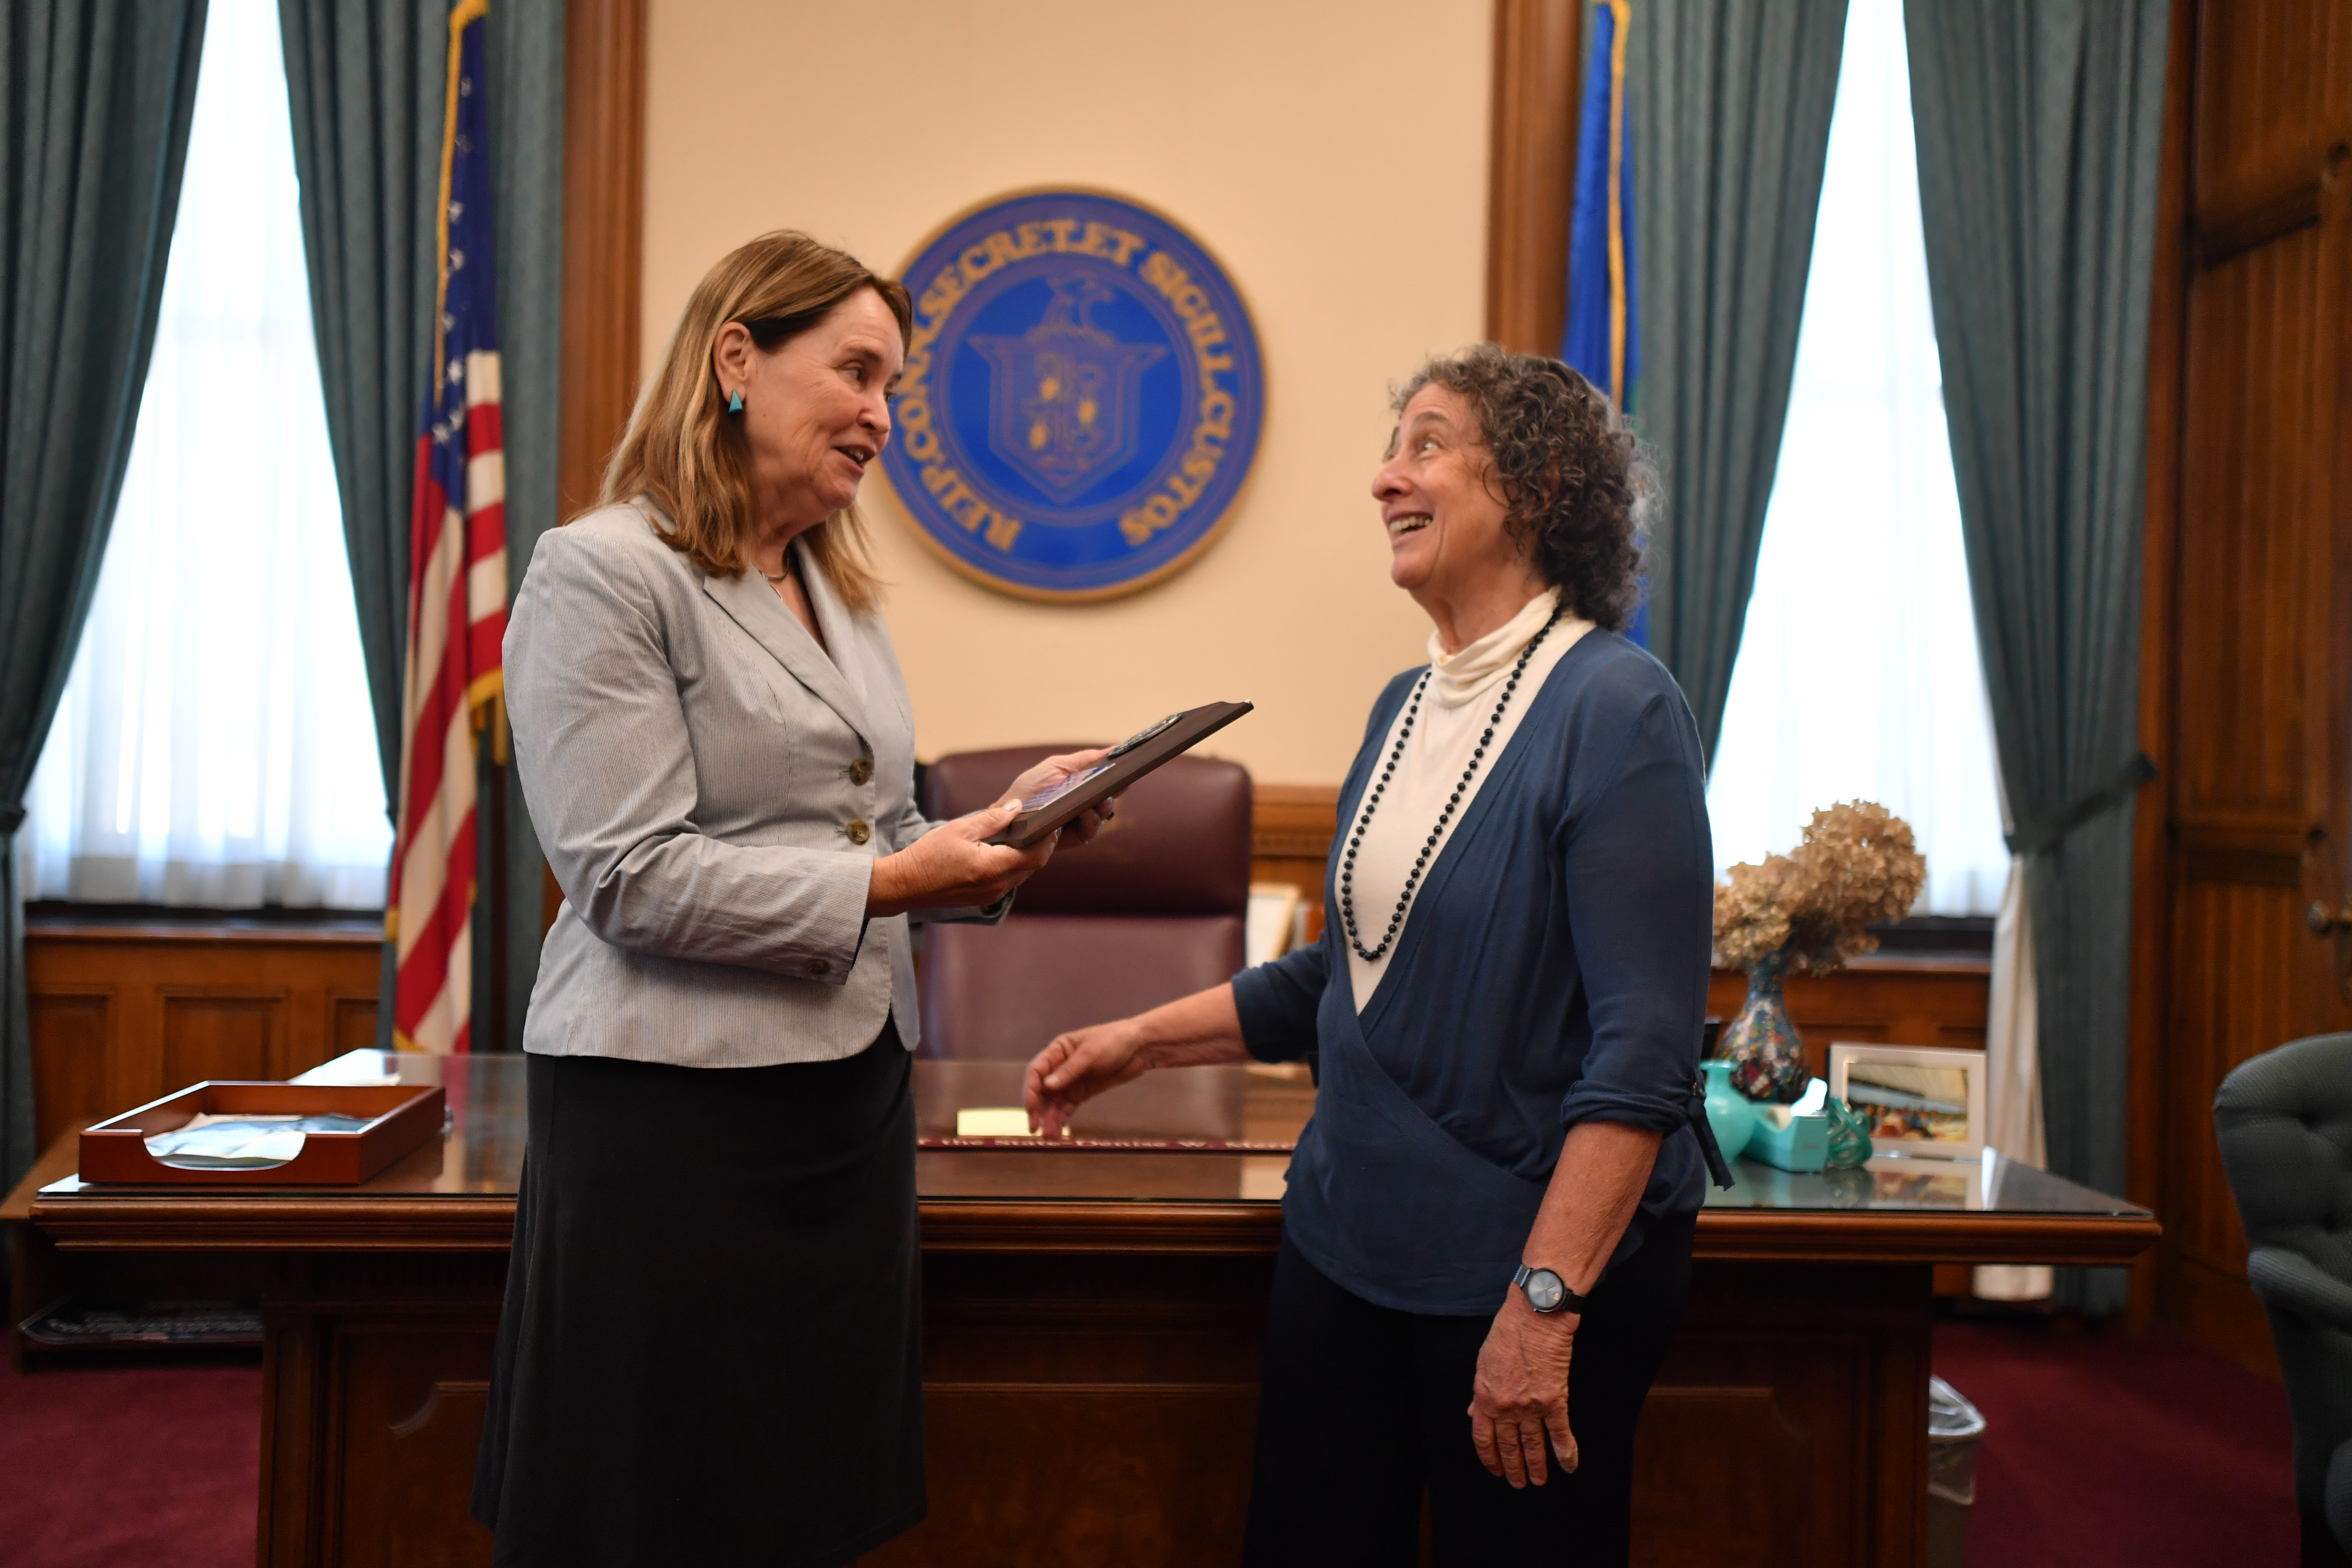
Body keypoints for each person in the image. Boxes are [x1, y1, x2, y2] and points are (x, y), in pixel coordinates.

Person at [1024, 345, 1731, 1566]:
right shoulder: (1402, 707)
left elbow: (1647, 1056)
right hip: (1341, 1240)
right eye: (1390, 450)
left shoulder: (1620, 708)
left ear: (1540, 486)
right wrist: (1138, 1042)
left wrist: (1544, 1305)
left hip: (1519, 1271)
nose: (1384, 480)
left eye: (1427, 445)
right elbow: (1343, 974)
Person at [472, 231, 1111, 1567]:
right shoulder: (602, 571)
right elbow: (628, 875)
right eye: (858, 373)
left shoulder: (836, 585)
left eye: (895, 389)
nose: (884, 417)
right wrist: (897, 878)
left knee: (806, 1499)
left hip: (842, 1106)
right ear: (737, 359)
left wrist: (1005, 831)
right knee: (655, 1508)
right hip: (671, 1118)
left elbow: (875, 832)